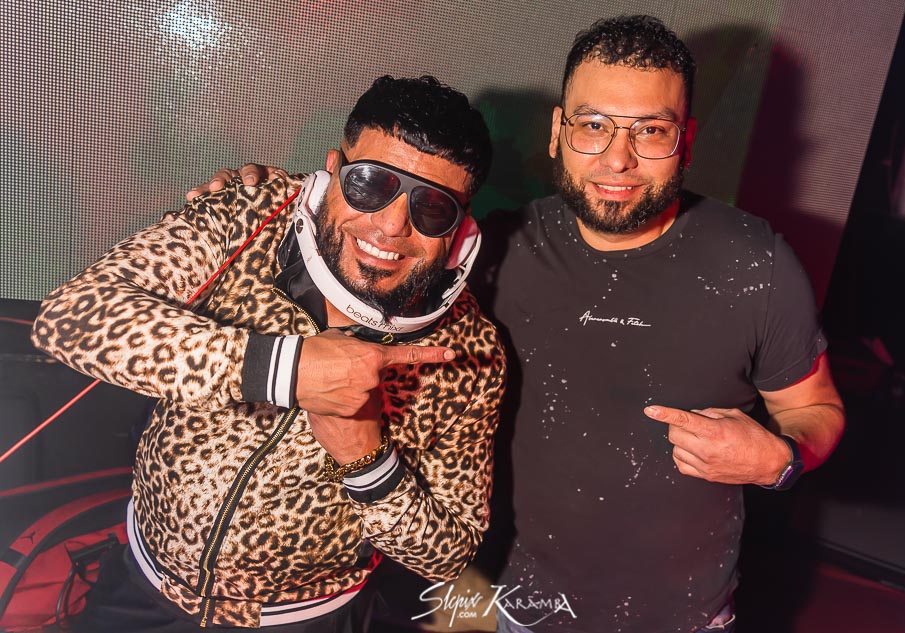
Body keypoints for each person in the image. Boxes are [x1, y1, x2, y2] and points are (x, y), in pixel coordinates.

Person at [190, 15, 845, 633]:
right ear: (558, 131)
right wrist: (272, 199)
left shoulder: (755, 263)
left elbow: (817, 409)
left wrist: (779, 459)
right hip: (518, 608)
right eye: (593, 125)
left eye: (650, 131)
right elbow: (374, 232)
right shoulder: (490, 250)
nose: (617, 158)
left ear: (686, 141)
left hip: (685, 616)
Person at [30, 75, 506, 632]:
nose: (391, 225)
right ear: (333, 170)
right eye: (371, 184)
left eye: (432, 208)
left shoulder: (468, 352)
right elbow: (70, 318)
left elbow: (448, 553)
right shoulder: (249, 214)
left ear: (461, 229)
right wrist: (286, 369)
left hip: (308, 619)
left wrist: (368, 461)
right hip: (142, 586)